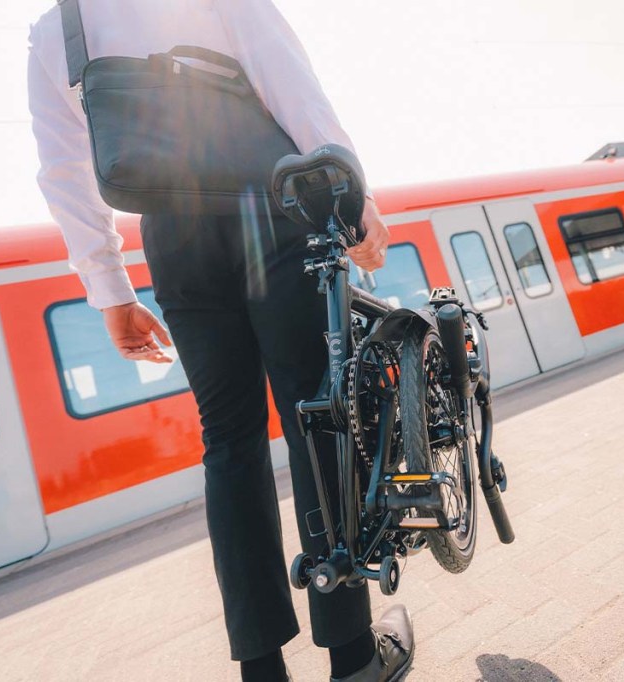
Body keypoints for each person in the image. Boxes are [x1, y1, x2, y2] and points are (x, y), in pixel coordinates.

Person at [26, 1, 414, 680]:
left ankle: (260, 670)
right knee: (315, 416)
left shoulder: (59, 28)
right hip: (272, 207)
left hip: (173, 238)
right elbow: (288, 81)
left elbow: (65, 167)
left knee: (228, 443)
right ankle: (352, 655)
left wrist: (112, 292)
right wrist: (352, 196)